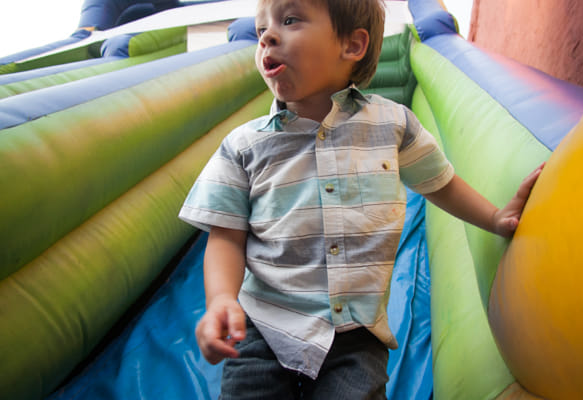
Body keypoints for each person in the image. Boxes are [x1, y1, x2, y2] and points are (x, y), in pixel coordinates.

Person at [178, 0, 543, 398]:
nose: (267, 37)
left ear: (352, 45)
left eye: (289, 19)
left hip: (355, 332)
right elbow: (227, 236)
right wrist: (220, 299)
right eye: (261, 29)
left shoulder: (392, 125)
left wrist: (495, 219)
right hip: (265, 324)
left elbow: (440, 184)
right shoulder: (244, 146)